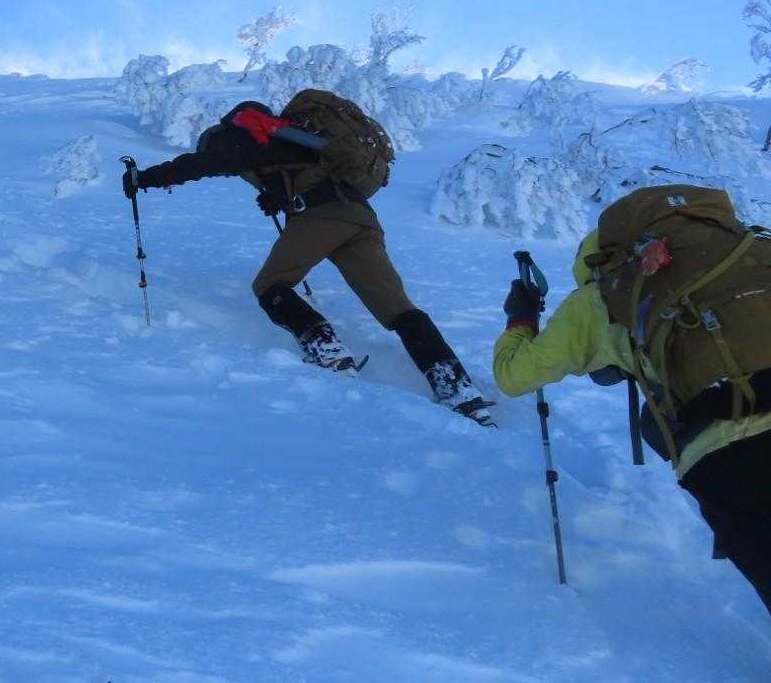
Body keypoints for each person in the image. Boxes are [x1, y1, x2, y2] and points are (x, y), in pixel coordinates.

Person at [122, 92, 495, 426]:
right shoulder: (301, 142)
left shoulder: (250, 136)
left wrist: (145, 178)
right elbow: (304, 174)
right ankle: (458, 388)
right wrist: (278, 194)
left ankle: (327, 349)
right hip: (361, 218)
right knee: (398, 309)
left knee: (270, 285)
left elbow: (201, 164)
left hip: (320, 216)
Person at [495, 188, 771, 614]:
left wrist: (521, 318)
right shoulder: (747, 250)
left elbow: (514, 376)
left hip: (731, 455)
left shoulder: (605, 293)